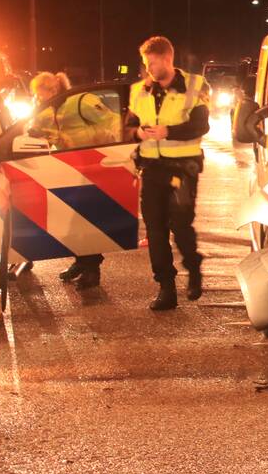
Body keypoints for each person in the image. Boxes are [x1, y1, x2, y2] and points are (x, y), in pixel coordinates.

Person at [129, 36, 210, 311]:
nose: (148, 68)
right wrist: (137, 132)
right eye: (145, 63)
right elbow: (127, 127)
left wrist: (169, 132)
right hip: (152, 168)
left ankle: (194, 269)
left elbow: (201, 126)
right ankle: (166, 288)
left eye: (152, 62)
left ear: (167, 59)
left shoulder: (195, 85)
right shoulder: (140, 90)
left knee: (180, 224)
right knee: (155, 229)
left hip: (182, 169)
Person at [29, 71, 119, 289]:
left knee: (85, 220)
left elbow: (114, 122)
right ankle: (81, 262)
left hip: (90, 166)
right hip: (66, 167)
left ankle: (91, 269)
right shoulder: (47, 110)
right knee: (72, 220)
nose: (39, 99)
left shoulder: (81, 102)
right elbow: (38, 132)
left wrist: (105, 147)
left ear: (53, 90)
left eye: (40, 95)